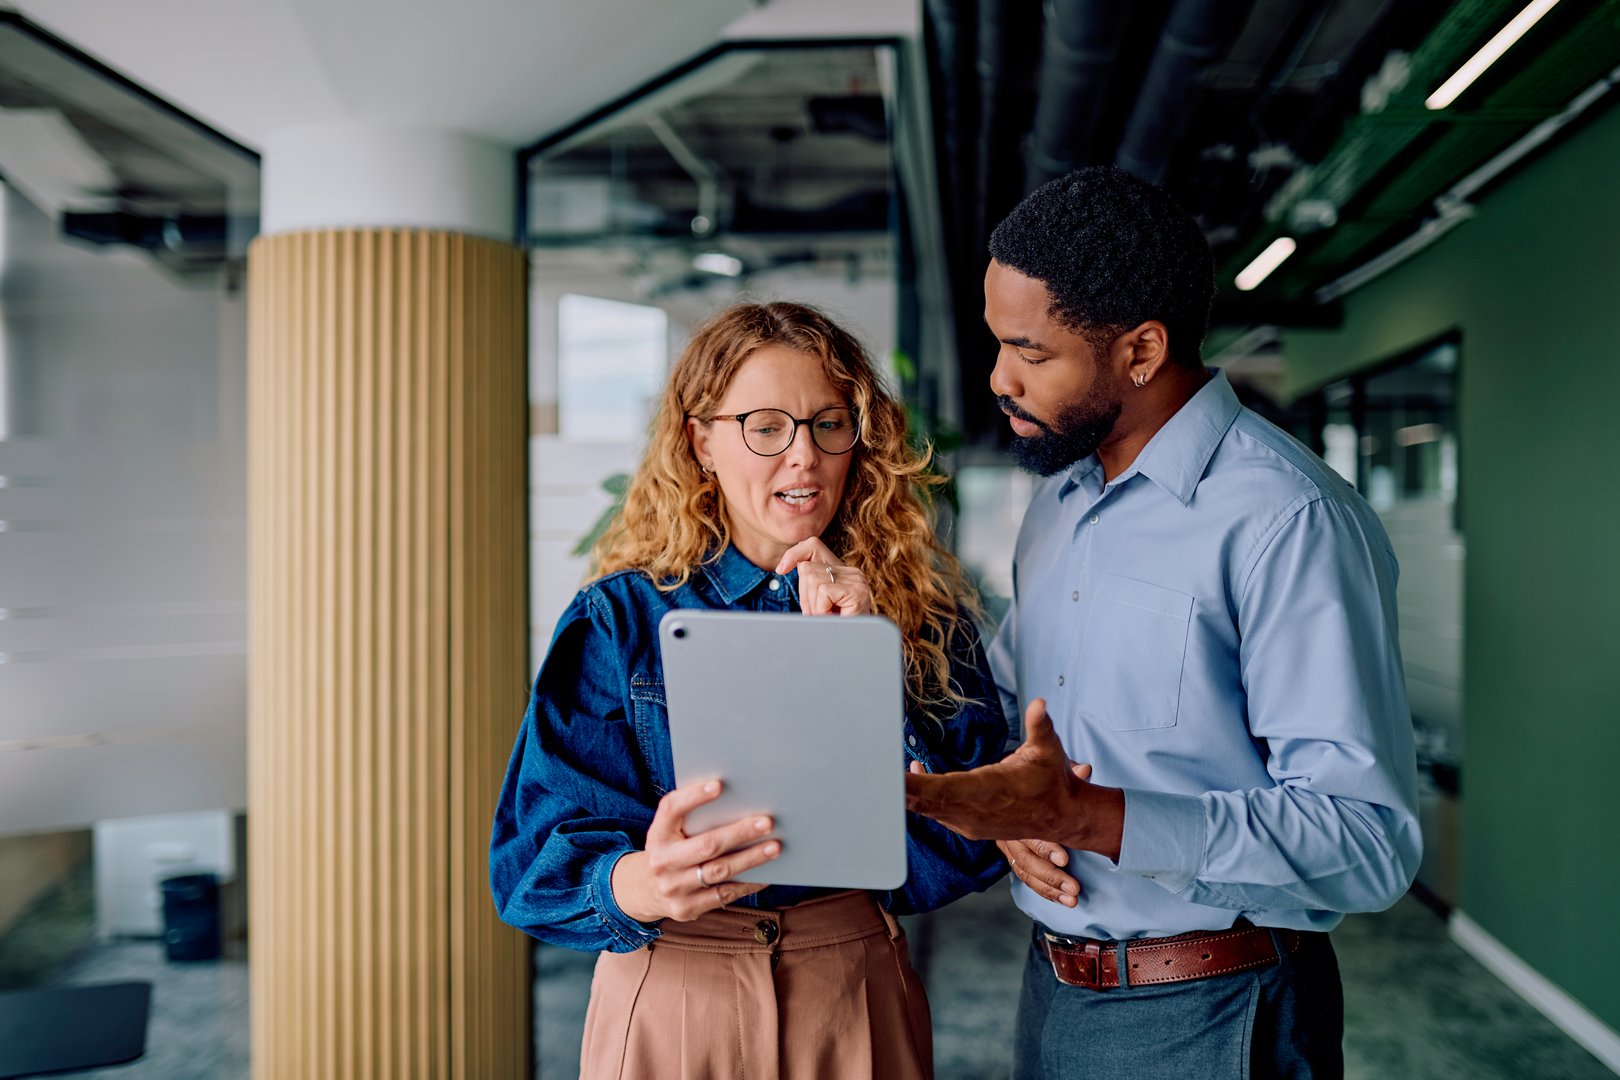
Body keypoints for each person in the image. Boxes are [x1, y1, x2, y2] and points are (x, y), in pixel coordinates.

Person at [904, 167, 1422, 1078]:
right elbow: (1025, 726)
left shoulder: (1286, 519)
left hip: (1217, 1009)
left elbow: (1367, 843)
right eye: (996, 343)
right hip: (1054, 991)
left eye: (1031, 351)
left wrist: (1097, 818)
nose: (998, 378)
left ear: (1141, 351)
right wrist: (1020, 812)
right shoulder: (1060, 499)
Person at [490, 301, 1008, 1080]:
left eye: (828, 424)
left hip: (850, 983)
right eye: (766, 428)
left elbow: (971, 847)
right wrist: (643, 881)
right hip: (672, 981)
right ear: (702, 441)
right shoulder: (622, 618)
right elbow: (532, 867)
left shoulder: (923, 617)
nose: (803, 456)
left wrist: (863, 667)